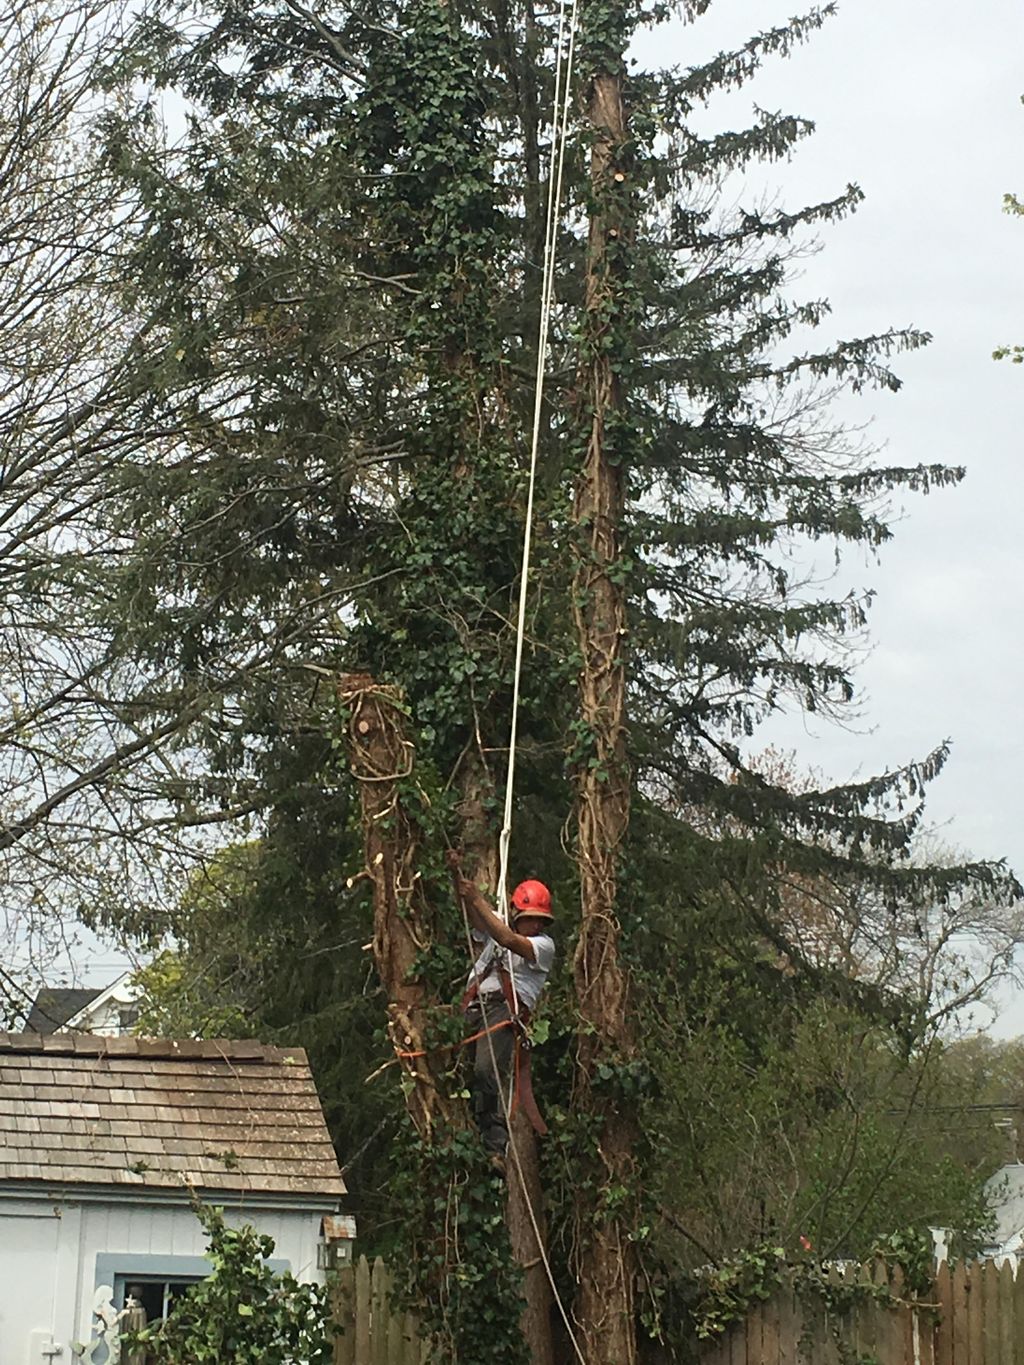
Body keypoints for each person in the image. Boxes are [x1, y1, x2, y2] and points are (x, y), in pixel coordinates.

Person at [450, 855, 555, 1163]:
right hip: (472, 1006)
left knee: (485, 1070)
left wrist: (478, 899)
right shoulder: (498, 923)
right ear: (517, 913)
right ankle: (459, 1135)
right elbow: (474, 915)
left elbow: (506, 938)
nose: (536, 925)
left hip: (502, 1011)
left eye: (541, 920)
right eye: (530, 918)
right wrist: (456, 874)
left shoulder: (543, 947)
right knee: (446, 1065)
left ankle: (495, 1143)